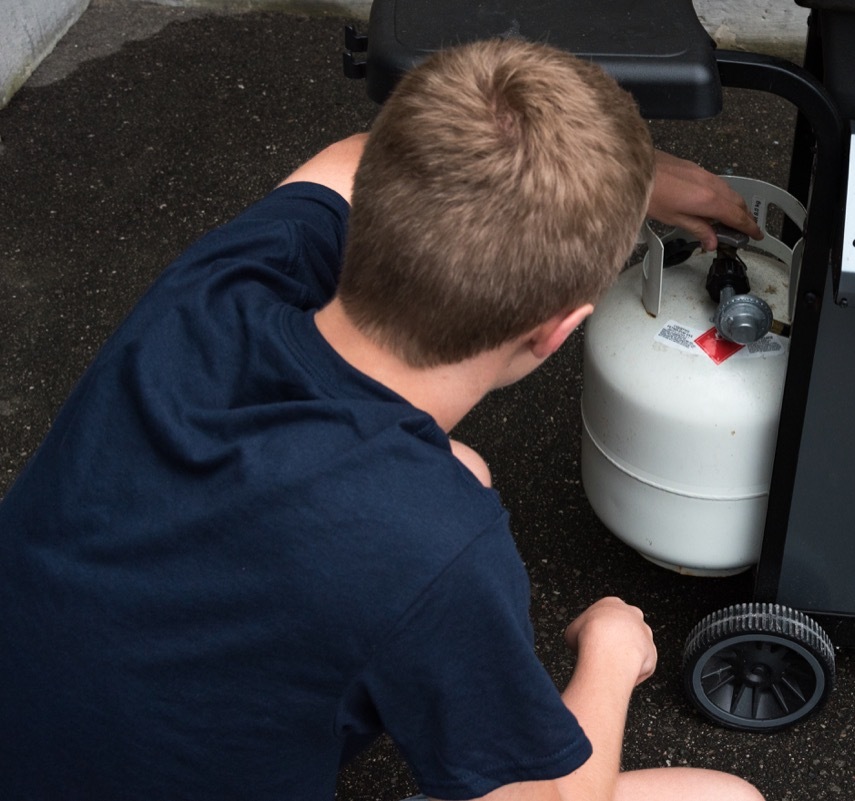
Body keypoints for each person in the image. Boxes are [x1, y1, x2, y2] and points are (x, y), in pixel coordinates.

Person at [0, 38, 763, 801]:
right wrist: (612, 650)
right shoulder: (435, 544)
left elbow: (348, 159)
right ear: (557, 331)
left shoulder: (221, 287)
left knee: (458, 471)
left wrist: (633, 180)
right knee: (725, 798)